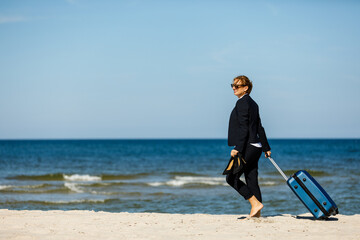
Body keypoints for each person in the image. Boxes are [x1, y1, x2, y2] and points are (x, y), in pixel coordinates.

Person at [226, 75, 271, 218]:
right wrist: (266, 147)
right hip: (256, 146)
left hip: (247, 146)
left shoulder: (242, 103)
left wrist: (238, 148)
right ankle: (257, 214)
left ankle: (254, 203)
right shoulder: (253, 103)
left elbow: (244, 128)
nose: (234, 88)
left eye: (237, 86)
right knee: (251, 178)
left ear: (246, 88)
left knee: (231, 177)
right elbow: (259, 127)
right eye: (232, 85)